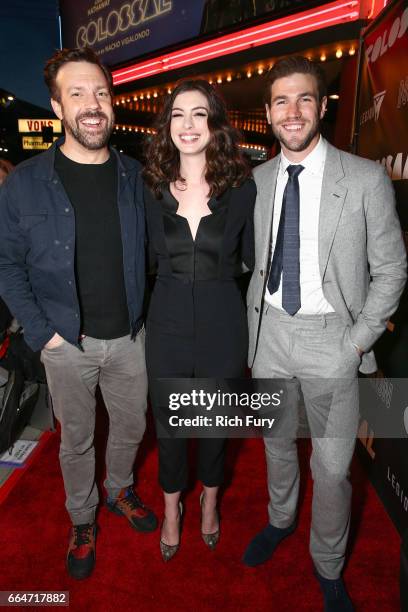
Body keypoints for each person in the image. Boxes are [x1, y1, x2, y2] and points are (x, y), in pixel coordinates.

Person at [243, 56, 406, 610]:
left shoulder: (363, 178)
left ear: (321, 106)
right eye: (281, 101)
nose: (293, 111)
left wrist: (357, 341)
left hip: (333, 340)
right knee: (276, 445)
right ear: (267, 113)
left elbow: (392, 269)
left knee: (334, 470)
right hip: (269, 335)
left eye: (304, 99)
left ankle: (328, 563)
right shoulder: (259, 179)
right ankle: (280, 519)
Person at [0, 47, 157, 580]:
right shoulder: (24, 182)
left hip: (130, 338)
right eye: (77, 94)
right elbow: (6, 265)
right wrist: (44, 335)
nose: (92, 105)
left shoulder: (134, 175)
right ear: (56, 106)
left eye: (101, 93)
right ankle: (82, 516)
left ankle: (118, 490)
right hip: (65, 342)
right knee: (76, 439)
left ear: (112, 102)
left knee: (133, 427)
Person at [143, 79, 256, 561]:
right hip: (166, 324)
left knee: (214, 425)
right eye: (178, 115)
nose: (188, 125)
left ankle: (209, 502)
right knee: (169, 427)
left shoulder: (242, 191)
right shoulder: (148, 190)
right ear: (167, 126)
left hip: (222, 324)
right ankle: (172, 510)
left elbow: (254, 260)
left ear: (215, 125)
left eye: (199, 114)